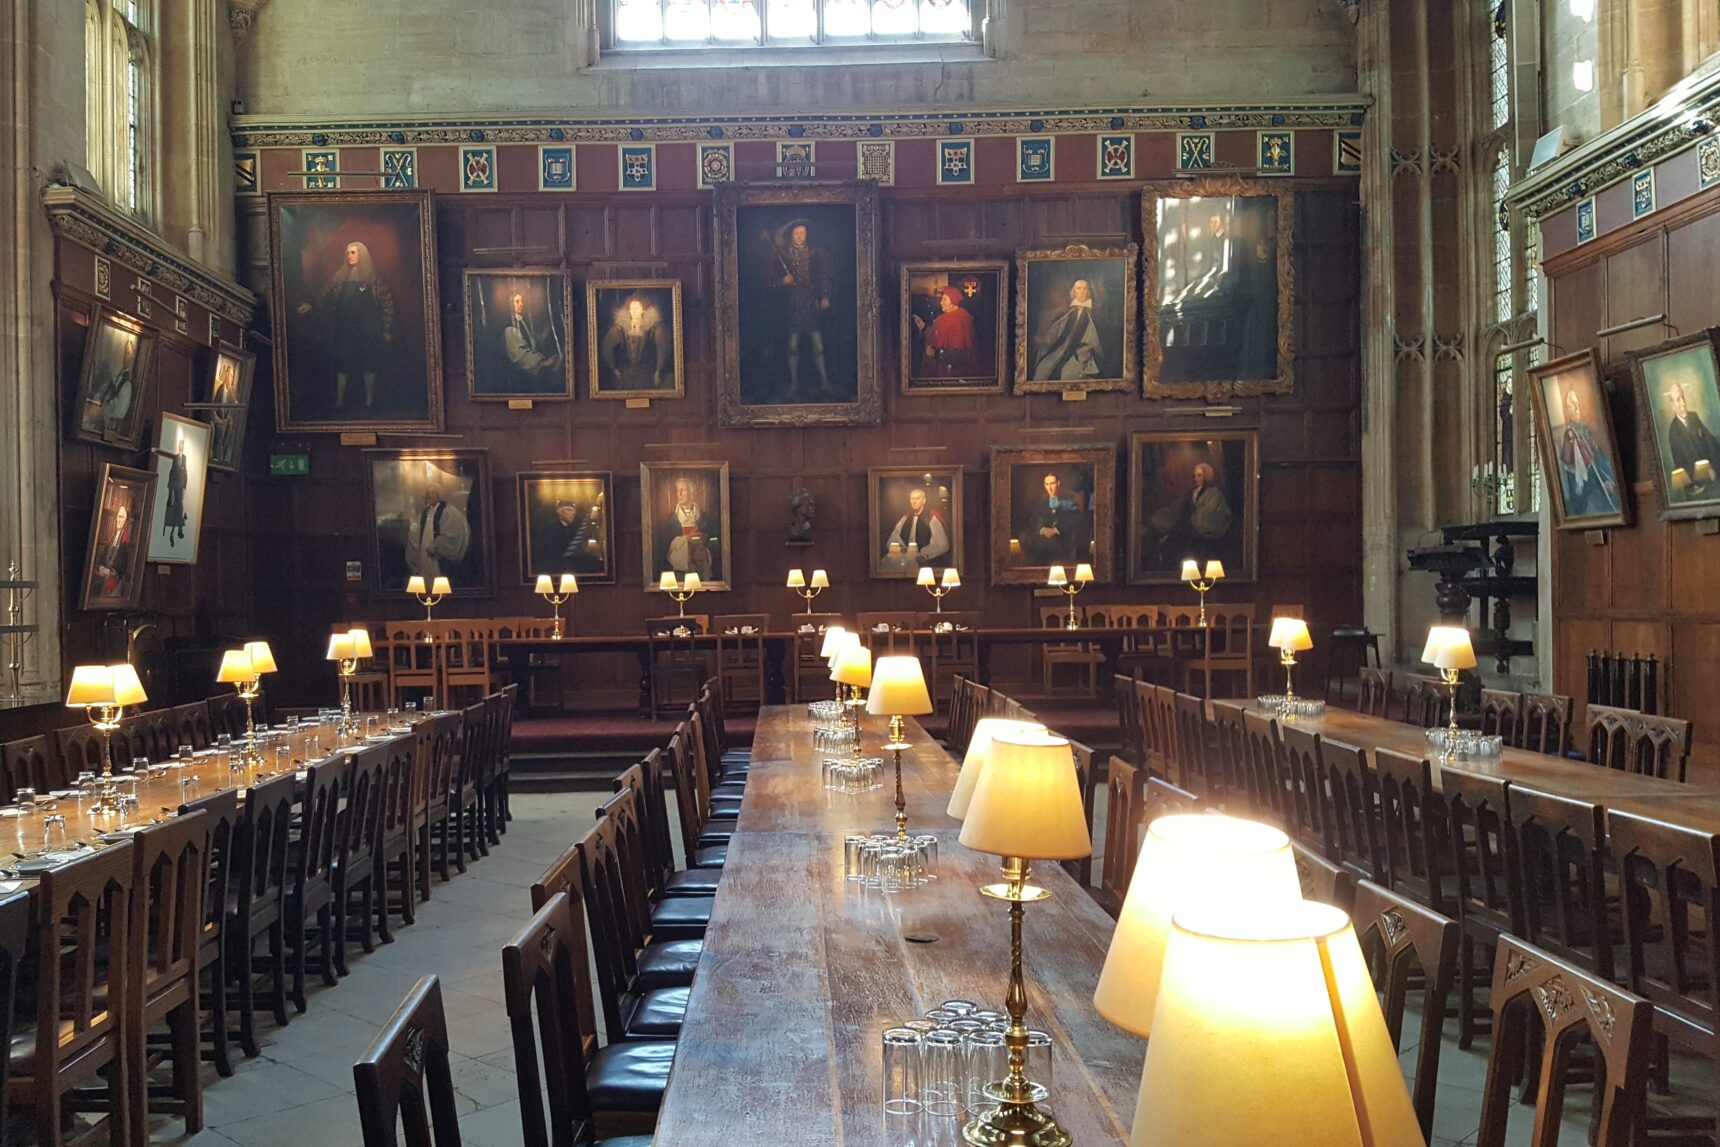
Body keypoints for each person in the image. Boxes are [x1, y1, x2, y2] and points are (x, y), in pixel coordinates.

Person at [296, 240, 394, 409]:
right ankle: (340, 401)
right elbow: (322, 295)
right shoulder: (339, 278)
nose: (350, 255)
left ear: (362, 255)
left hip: (368, 330)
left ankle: (370, 401)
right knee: (343, 363)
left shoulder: (374, 280)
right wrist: (311, 306)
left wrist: (386, 329)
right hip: (345, 328)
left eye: (354, 252)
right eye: (348, 252)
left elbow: (387, 305)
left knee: (369, 363)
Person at [770, 219, 836, 400]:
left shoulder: (817, 255)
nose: (799, 237)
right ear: (792, 235)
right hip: (791, 305)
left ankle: (824, 382)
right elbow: (769, 285)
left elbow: (824, 277)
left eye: (802, 233)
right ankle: (793, 385)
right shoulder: (781, 256)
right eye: (796, 233)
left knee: (818, 345)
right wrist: (783, 283)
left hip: (810, 304)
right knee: (792, 346)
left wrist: (825, 296)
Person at [1151, 461, 1234, 567]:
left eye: (1199, 475)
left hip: (1204, 538)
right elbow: (1178, 509)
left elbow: (1210, 516)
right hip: (1188, 532)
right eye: (1194, 476)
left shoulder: (1214, 494)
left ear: (1207, 476)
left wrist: (1190, 519)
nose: (1196, 478)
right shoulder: (1191, 493)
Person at [1556, 385, 1622, 516]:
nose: (1576, 407)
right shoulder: (1569, 435)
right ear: (1567, 409)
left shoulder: (1585, 429)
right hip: (1588, 490)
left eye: (1577, 403)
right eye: (1572, 404)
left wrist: (1609, 479)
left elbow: (1598, 459)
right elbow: (1578, 474)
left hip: (1600, 478)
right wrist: (1602, 485)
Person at [1030, 279, 1104, 382]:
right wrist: (1044, 340)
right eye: (1079, 289)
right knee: (1042, 368)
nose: (1082, 292)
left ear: (1088, 292)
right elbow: (1055, 332)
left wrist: (1087, 347)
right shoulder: (1067, 312)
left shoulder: (1095, 314)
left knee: (1067, 372)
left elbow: (1097, 340)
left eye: (1085, 289)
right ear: (1074, 292)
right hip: (1060, 349)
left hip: (1080, 353)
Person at [598, 295, 668, 391]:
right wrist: (614, 369)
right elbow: (606, 348)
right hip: (625, 374)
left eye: (637, 308)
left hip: (646, 373)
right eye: (631, 308)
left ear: (643, 310)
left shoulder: (654, 330)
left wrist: (657, 371)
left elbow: (662, 350)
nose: (634, 311)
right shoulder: (619, 329)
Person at [656, 476, 719, 582]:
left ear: (693, 493)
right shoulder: (669, 521)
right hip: (678, 574)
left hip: (701, 572)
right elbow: (663, 548)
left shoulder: (705, 518)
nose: (679, 494)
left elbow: (715, 541)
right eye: (677, 490)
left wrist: (706, 553)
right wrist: (686, 539)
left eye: (683, 490)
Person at [1664, 379, 1720, 497]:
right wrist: (1706, 473)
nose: (1683, 404)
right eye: (1678, 400)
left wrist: (1714, 467)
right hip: (1696, 489)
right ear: (1672, 405)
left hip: (1713, 479)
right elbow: (1681, 467)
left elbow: (1711, 442)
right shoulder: (1673, 432)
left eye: (1683, 397)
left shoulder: (1694, 417)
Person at [406, 483, 471, 580]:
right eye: (428, 493)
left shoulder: (448, 512)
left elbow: (453, 532)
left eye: (433, 493)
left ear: (438, 495)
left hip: (438, 556)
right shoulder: (424, 513)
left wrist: (437, 545)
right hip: (424, 553)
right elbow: (415, 531)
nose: (430, 495)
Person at [1021, 472, 1085, 565]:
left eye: (1052, 484)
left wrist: (1055, 530)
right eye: (1047, 484)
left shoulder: (1068, 498)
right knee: (1029, 539)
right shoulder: (1041, 500)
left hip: (1063, 536)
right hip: (1043, 536)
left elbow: (1074, 518)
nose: (1050, 488)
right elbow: (1034, 519)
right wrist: (1043, 530)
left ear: (1058, 483)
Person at [501, 291, 560, 386]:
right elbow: (520, 357)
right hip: (520, 380)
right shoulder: (509, 328)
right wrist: (542, 363)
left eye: (522, 301)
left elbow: (532, 343)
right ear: (509, 304)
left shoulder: (523, 322)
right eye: (517, 301)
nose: (521, 304)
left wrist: (544, 335)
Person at [915, 286, 977, 378]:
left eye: (944, 299)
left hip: (950, 373)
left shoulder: (959, 321)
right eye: (941, 300)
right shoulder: (945, 318)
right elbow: (938, 336)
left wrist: (936, 354)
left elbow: (960, 355)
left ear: (953, 301)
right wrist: (923, 326)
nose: (941, 303)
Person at [533, 498, 603, 575]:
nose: (573, 513)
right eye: (568, 509)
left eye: (573, 510)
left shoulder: (572, 530)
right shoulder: (550, 530)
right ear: (558, 511)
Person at [86, 336, 138, 436]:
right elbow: (103, 390)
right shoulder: (117, 376)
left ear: (133, 357)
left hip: (105, 424)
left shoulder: (127, 384)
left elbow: (120, 411)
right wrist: (94, 401)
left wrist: (101, 410)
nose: (125, 357)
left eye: (128, 354)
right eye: (124, 353)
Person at [886, 487, 950, 566]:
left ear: (924, 501)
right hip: (906, 559)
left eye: (917, 498)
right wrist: (901, 547)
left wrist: (925, 554)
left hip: (925, 561)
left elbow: (942, 544)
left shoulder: (931, 518)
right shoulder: (905, 518)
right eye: (912, 499)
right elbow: (894, 537)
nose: (914, 501)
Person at [89, 499, 135, 601]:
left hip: (115, 575)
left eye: (121, 517)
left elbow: (123, 565)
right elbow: (102, 557)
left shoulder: (126, 539)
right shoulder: (112, 536)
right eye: (118, 517)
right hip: (103, 571)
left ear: (125, 520)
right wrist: (101, 567)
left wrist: (112, 571)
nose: (118, 520)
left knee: (106, 584)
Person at [210, 356, 240, 464]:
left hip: (225, 421)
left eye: (232, 376)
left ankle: (225, 457)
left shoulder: (230, 392)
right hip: (217, 419)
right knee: (222, 429)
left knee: (231, 426)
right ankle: (217, 457)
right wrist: (219, 420)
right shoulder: (220, 389)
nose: (231, 378)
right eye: (230, 375)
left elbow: (235, 403)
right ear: (226, 376)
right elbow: (213, 409)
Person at [162, 432, 188, 547]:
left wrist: (185, 486)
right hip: (174, 484)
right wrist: (170, 485)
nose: (181, 447)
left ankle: (179, 527)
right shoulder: (176, 458)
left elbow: (185, 471)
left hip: (181, 484)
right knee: (171, 504)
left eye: (182, 446)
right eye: (180, 446)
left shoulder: (185, 458)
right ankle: (171, 527)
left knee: (180, 505)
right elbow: (172, 471)